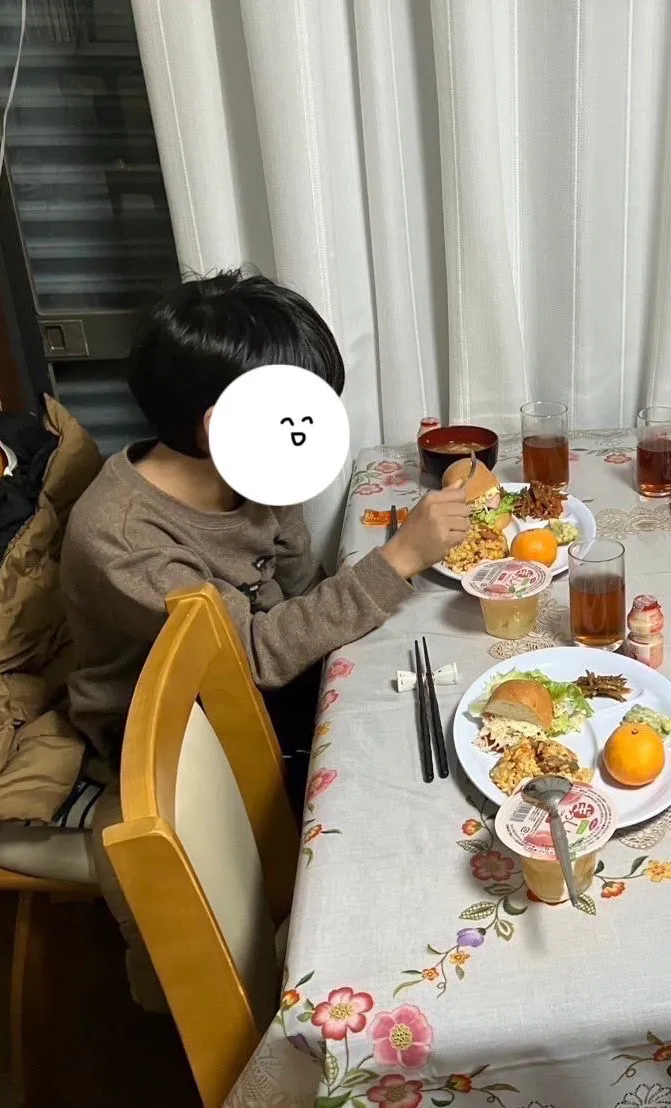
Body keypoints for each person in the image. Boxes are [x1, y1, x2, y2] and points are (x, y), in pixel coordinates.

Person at [61, 270, 471, 1011]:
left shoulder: (248, 470)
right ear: (218, 425)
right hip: (169, 723)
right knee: (393, 798)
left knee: (437, 696)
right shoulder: (125, 537)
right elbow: (247, 659)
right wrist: (398, 560)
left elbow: (294, 587)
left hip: (257, 678)